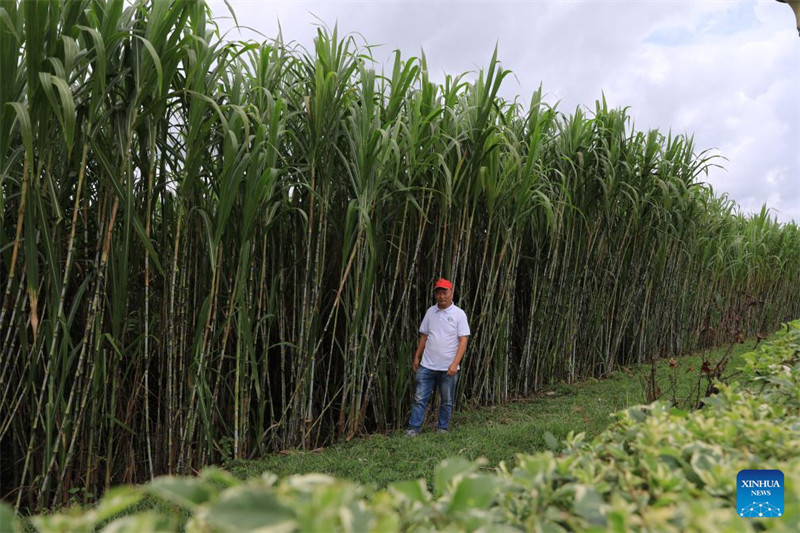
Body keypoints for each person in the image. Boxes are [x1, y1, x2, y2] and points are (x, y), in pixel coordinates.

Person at [405, 278, 470, 436]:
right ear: (435, 294)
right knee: (420, 398)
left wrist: (455, 364)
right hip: (427, 365)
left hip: (448, 367)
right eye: (438, 292)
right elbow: (424, 336)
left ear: (451, 292)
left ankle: (442, 428)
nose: (441, 296)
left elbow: (463, 341)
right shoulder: (430, 312)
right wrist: (417, 357)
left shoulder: (459, 314)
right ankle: (414, 429)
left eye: (444, 292)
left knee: (446, 400)